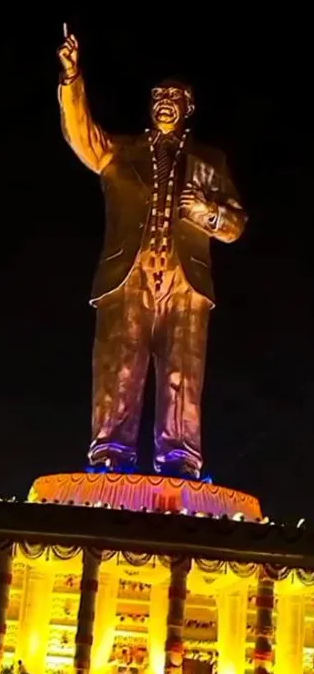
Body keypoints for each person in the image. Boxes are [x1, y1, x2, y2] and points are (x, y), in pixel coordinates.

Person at [57, 33, 247, 479]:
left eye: (175, 97)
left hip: (188, 280)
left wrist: (208, 213)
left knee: (183, 374)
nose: (165, 102)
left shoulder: (208, 160)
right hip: (128, 273)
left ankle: (181, 459)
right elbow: (80, 131)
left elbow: (237, 225)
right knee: (119, 366)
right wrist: (71, 78)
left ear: (189, 108)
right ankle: (110, 454)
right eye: (158, 96)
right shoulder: (120, 153)